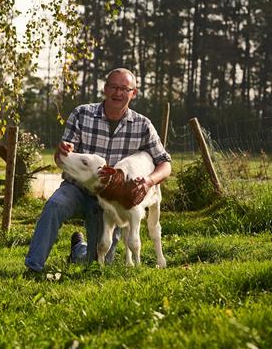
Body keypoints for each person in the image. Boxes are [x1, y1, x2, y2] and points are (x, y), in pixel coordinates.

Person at [24, 68, 171, 273]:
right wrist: (61, 152)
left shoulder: (143, 125)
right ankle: (33, 267)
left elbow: (165, 164)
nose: (117, 93)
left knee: (99, 261)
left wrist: (148, 182)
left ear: (133, 93)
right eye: (113, 87)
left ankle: (79, 250)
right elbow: (62, 159)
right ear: (105, 88)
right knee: (55, 205)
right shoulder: (82, 114)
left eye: (124, 89)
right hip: (77, 190)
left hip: (113, 201)